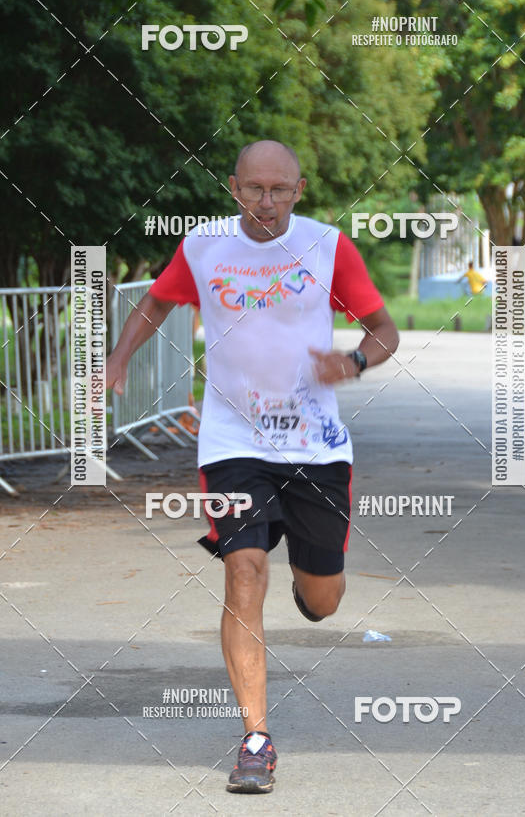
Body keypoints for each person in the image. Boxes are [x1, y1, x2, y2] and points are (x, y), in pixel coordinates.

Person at [106, 139, 399, 794]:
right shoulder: (205, 246)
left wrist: (351, 362)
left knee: (322, 599)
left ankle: (312, 584)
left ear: (298, 191)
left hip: (315, 447)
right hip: (232, 441)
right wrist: (119, 358)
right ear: (234, 187)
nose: (266, 201)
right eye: (254, 188)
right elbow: (156, 302)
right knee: (243, 569)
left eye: (280, 190)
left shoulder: (328, 247)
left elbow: (385, 330)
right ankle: (256, 738)